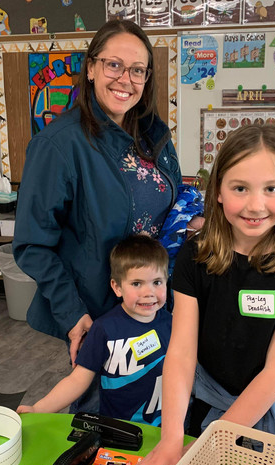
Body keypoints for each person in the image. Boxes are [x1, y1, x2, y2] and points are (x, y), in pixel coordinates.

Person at [131, 124, 275, 465]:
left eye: (271, 188)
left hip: (273, 410)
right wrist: (172, 436)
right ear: (219, 191)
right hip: (207, 402)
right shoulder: (196, 254)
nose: (256, 205)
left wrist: (213, 448)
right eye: (240, 188)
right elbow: (182, 350)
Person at [13, 20, 183, 412]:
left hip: (152, 298)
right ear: (90, 68)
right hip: (99, 310)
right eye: (113, 65)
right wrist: (74, 315)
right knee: (101, 411)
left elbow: (170, 198)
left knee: (154, 398)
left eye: (137, 69)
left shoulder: (153, 134)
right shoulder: (59, 145)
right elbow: (32, 245)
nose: (126, 79)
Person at [16, 235, 171, 426]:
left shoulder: (174, 324)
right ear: (117, 287)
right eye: (136, 283)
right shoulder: (104, 329)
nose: (149, 293)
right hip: (117, 432)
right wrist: (39, 409)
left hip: (165, 429)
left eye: (157, 282)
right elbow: (77, 380)